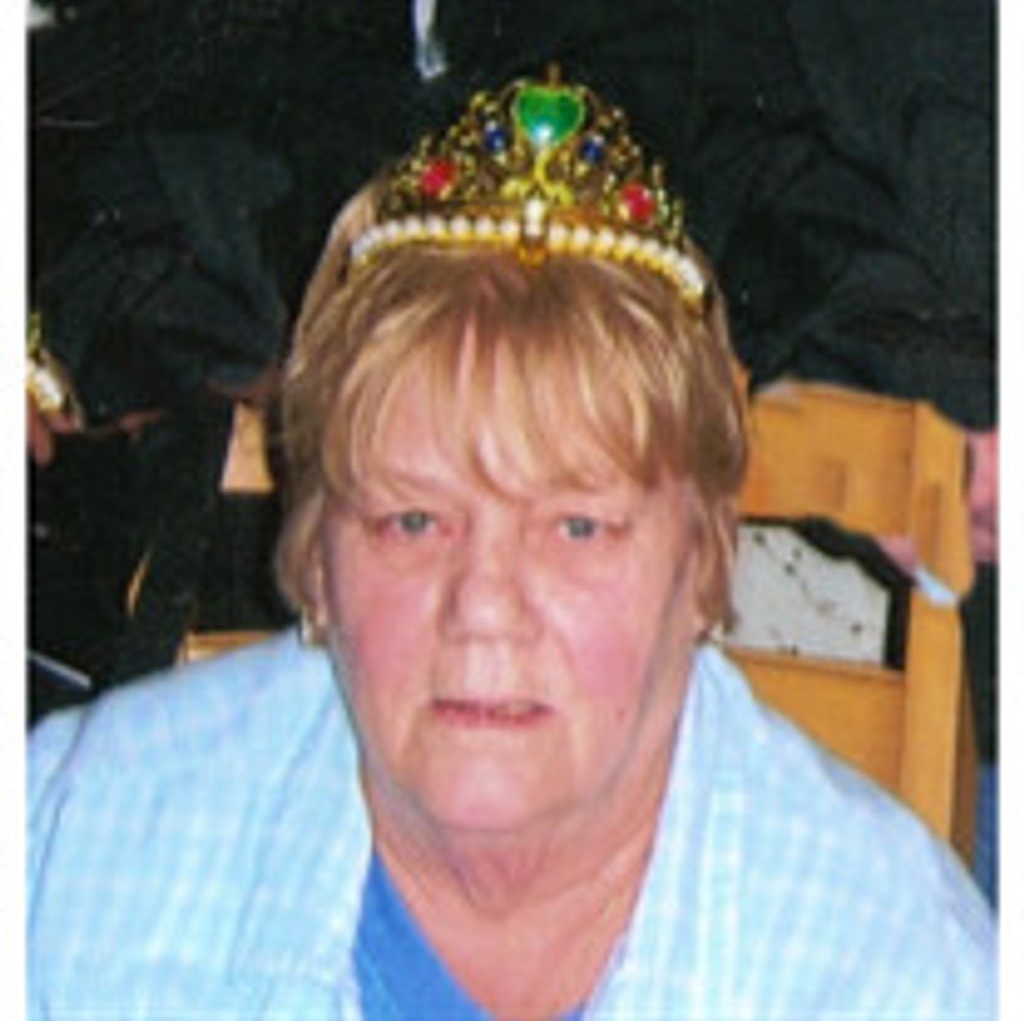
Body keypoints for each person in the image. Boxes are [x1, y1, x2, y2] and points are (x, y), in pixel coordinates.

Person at [28, 72, 994, 1019]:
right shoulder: (65, 855)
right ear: (315, 558)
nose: (484, 608)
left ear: (702, 566)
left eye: (576, 527)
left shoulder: (898, 976)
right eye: (414, 521)